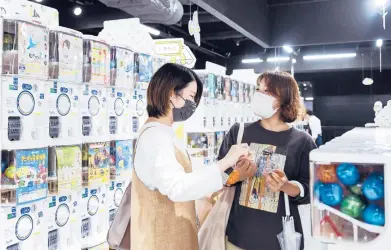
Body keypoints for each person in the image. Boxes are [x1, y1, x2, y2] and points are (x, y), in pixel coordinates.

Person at [131, 63, 250, 250]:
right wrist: (225, 161)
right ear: (172, 94)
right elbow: (178, 187)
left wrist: (230, 176)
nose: (193, 105)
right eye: (191, 96)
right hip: (161, 241)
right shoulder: (156, 137)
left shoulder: (163, 132)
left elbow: (186, 181)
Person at [218, 71, 317, 250]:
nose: (259, 95)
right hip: (237, 237)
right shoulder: (239, 132)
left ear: (284, 99)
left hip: (281, 239)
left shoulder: (302, 141)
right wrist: (237, 175)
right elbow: (219, 177)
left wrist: (286, 186)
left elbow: (312, 189)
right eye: (258, 89)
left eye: (267, 91)